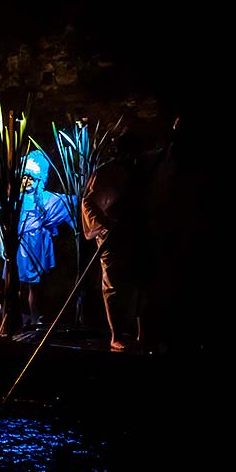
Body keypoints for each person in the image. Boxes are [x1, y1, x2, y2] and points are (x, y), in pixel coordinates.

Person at [81, 129, 146, 351]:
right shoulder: (106, 173)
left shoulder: (143, 173)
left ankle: (142, 333)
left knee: (141, 284)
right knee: (113, 286)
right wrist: (106, 225)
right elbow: (88, 203)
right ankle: (116, 335)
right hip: (112, 238)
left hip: (136, 235)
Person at [16, 150, 75, 329]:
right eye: (24, 177)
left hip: (37, 244)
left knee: (35, 284)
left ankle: (35, 317)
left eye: (31, 178)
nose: (27, 181)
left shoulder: (46, 198)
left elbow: (66, 202)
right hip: (20, 245)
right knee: (20, 283)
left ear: (39, 179)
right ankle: (20, 315)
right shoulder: (16, 199)